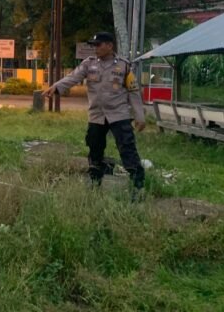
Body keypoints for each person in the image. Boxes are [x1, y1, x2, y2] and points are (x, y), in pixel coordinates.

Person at [42, 32, 147, 194]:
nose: (95, 48)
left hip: (119, 115)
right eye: (94, 45)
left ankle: (138, 185)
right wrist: (56, 86)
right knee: (94, 148)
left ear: (110, 46)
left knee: (127, 148)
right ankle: (95, 182)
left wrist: (139, 116)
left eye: (98, 45)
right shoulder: (88, 64)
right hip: (97, 116)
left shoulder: (124, 66)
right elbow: (73, 77)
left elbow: (133, 91)